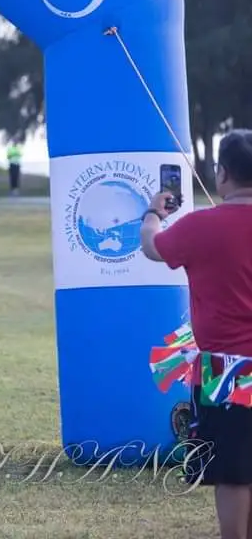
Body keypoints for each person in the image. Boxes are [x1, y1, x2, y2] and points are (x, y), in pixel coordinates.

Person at [139, 129, 252, 539]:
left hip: (225, 370)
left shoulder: (199, 226)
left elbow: (152, 247)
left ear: (222, 173)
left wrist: (153, 213)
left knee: (234, 471)